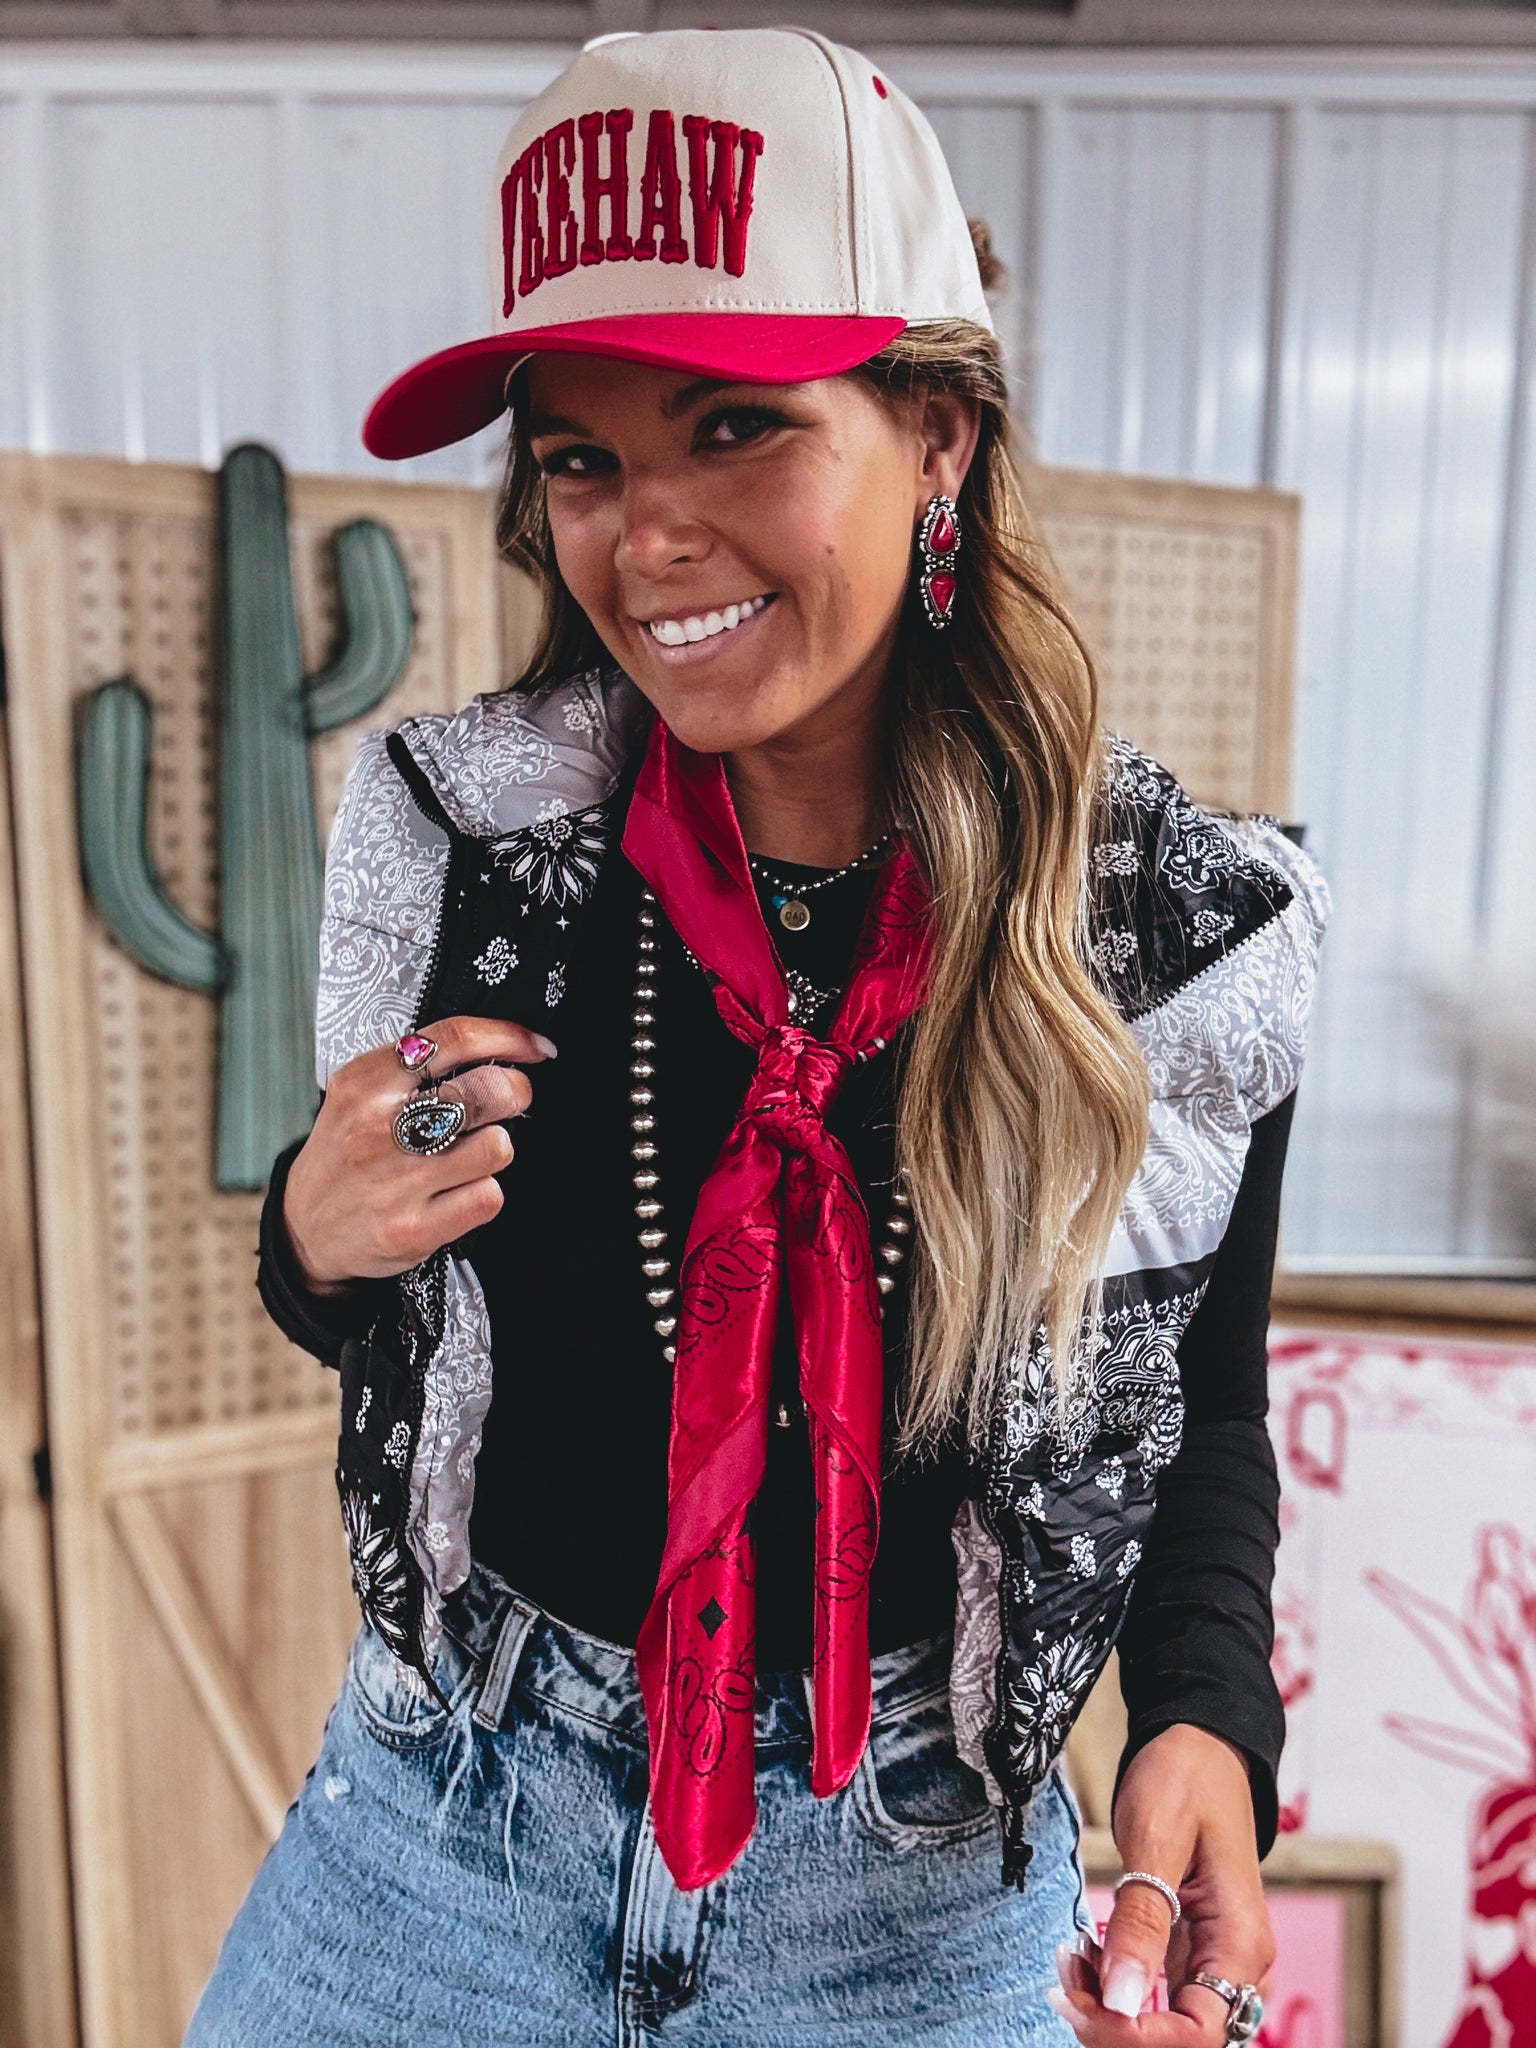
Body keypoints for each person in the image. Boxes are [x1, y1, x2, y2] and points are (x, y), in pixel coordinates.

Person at [186, 27, 1327, 2048]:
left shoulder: (1166, 940)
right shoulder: (467, 852)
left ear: (940, 435)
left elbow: (1202, 1408)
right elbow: (381, 1310)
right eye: (582, 458)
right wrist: (309, 1236)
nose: (649, 537)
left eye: (736, 429)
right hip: (447, 1840)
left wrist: (1209, 1725)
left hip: (917, 1900)